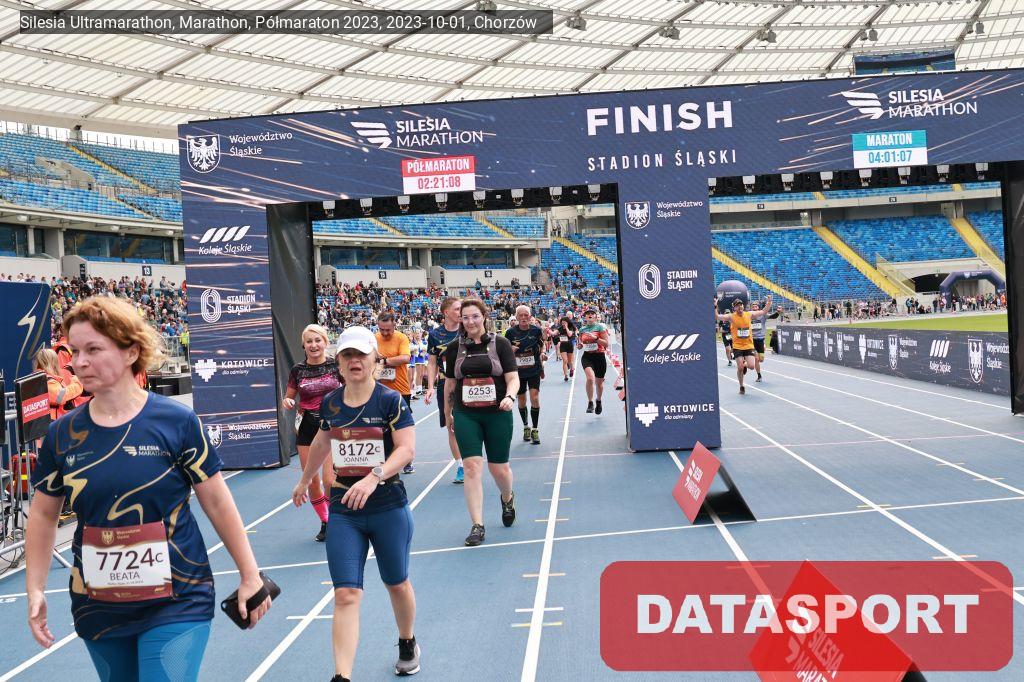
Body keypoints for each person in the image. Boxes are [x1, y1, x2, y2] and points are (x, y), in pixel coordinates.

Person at [26, 296, 270, 680]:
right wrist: (36, 588)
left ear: (131, 352)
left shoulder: (177, 422)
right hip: (98, 605)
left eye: (94, 349)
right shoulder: (62, 435)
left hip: (178, 597)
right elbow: (42, 515)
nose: (79, 362)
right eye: (75, 351)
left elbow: (217, 502)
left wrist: (249, 574)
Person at [292, 326, 419, 681]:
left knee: (396, 582)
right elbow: (322, 442)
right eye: (347, 355)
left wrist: (375, 475)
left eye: (360, 355)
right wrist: (305, 480)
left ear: (374, 359)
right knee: (346, 593)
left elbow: (406, 449)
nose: (354, 361)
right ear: (340, 363)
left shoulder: (389, 401)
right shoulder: (331, 403)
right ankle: (342, 676)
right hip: (345, 508)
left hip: (387, 504)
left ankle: (407, 641)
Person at [442, 298, 520, 547]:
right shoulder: (454, 348)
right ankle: (477, 524)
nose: (470, 322)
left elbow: (513, 378)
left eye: (475, 316)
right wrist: (447, 413)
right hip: (466, 414)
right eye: (465, 317)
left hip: (497, 413)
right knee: (472, 467)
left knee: (499, 469)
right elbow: (450, 384)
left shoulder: (501, 344)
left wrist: (509, 397)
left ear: (484, 317)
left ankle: (507, 497)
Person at [284, 324, 343, 542]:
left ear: (325, 342)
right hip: (307, 426)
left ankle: (336, 519)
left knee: (329, 479)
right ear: (304, 345)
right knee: (311, 481)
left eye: (317, 340)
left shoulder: (336, 366)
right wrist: (287, 401)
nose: (314, 345)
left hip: (331, 425)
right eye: (309, 341)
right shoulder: (297, 370)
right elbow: (289, 396)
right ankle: (326, 521)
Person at [424, 297, 464, 484]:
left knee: (470, 423)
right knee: (452, 425)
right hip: (445, 384)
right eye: (457, 309)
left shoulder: (467, 329)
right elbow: (432, 362)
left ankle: (472, 459)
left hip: (467, 383)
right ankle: (461, 465)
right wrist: (430, 387)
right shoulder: (435, 335)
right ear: (446, 312)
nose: (460, 312)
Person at [375, 313, 414, 474]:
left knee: (401, 426)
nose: (385, 333)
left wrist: (384, 360)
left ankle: (407, 460)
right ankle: (385, 460)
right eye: (382, 329)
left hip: (400, 389)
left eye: (388, 330)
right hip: (378, 389)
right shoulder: (374, 338)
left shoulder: (401, 338)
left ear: (394, 325)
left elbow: (405, 358)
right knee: (380, 426)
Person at [504, 305, 546, 445]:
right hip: (518, 372)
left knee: (534, 398)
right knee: (522, 400)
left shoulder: (536, 330)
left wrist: (543, 353)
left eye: (526, 315)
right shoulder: (510, 333)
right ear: (516, 317)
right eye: (520, 315)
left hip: (534, 369)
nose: (523, 317)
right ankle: (526, 426)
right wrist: (510, 350)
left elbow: (542, 345)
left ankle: (535, 429)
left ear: (530, 316)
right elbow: (504, 352)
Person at [714, 295, 773, 394]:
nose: (740, 307)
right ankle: (741, 385)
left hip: (748, 345)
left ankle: (745, 364)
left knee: (752, 366)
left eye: (741, 305)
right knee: (740, 367)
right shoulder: (731, 316)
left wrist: (769, 302)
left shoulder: (749, 314)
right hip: (737, 346)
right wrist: (715, 306)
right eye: (737, 305)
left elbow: (763, 312)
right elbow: (717, 317)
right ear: (734, 308)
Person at [34, 348, 83, 420]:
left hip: (51, 421)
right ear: (53, 362)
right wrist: (77, 383)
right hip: (53, 421)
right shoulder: (48, 381)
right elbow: (61, 397)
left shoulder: (40, 379)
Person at [577, 308, 610, 414]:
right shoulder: (582, 329)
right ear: (585, 317)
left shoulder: (600, 327)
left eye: (592, 313)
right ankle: (590, 402)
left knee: (599, 383)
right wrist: (580, 345)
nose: (590, 315)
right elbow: (580, 343)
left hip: (599, 356)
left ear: (595, 317)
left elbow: (606, 344)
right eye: (588, 314)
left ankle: (598, 401)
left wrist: (596, 338)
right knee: (590, 379)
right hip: (587, 357)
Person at [557, 311, 577, 381]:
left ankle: (571, 369)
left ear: (567, 322)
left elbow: (570, 334)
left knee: (570, 361)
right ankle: (566, 375)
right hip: (563, 345)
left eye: (564, 322)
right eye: (562, 322)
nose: (563, 324)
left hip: (569, 345)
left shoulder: (571, 327)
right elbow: (553, 333)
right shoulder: (560, 328)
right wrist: (547, 330)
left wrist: (566, 327)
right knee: (565, 361)